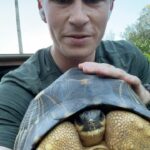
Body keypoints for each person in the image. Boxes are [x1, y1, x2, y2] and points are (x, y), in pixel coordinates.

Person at [0, 0, 150, 149]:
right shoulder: (14, 93)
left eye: (93, 0)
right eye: (62, 1)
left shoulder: (130, 60)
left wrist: (146, 100)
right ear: (41, 7)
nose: (79, 18)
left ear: (110, 6)